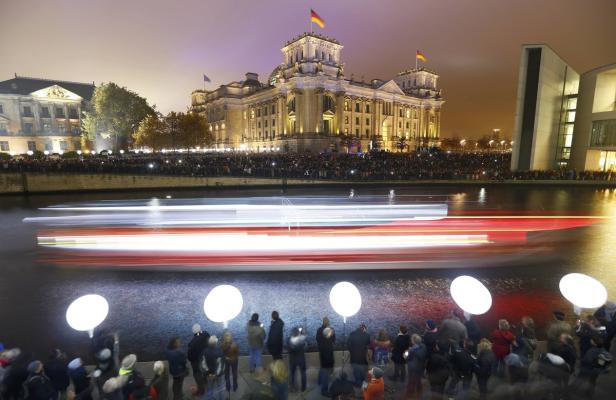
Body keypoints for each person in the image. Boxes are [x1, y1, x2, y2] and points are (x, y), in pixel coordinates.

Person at [570, 335, 611, 399]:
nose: (590, 340)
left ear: (594, 343)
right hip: (596, 370)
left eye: (592, 340)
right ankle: (590, 393)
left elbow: (587, 360)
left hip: (587, 369)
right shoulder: (603, 350)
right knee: (592, 381)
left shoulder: (592, 351)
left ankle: (571, 391)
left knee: (579, 380)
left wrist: (580, 362)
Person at [187, 324, 209, 396]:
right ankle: (205, 381)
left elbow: (190, 356)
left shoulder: (192, 343)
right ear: (200, 329)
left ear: (193, 332)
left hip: (196, 361)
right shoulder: (206, 334)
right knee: (204, 369)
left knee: (197, 374)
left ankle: (201, 391)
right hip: (205, 357)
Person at [202, 336, 225, 400]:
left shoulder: (205, 351)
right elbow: (221, 365)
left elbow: (203, 364)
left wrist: (208, 372)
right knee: (220, 388)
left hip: (209, 374)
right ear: (215, 343)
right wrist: (216, 374)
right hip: (218, 375)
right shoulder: (219, 351)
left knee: (210, 388)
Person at [405, 334, 427, 399]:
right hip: (421, 366)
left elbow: (408, 358)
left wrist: (406, 354)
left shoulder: (412, 350)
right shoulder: (424, 346)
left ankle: (409, 394)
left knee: (411, 381)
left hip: (412, 367)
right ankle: (419, 392)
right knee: (418, 379)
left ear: (414, 341)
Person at [287, 327, 307, 392]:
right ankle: (303, 388)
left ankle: (292, 387)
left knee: (292, 374)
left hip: (292, 360)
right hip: (301, 359)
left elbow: (288, 349)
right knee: (303, 373)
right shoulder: (302, 339)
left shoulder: (289, 339)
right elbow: (306, 347)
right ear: (298, 333)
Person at [318, 327, 335, 397]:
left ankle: (319, 382)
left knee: (322, 373)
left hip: (323, 363)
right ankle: (324, 391)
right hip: (327, 364)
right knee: (326, 378)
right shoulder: (327, 343)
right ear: (328, 334)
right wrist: (331, 364)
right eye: (330, 333)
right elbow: (328, 355)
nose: (331, 334)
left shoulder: (322, 341)